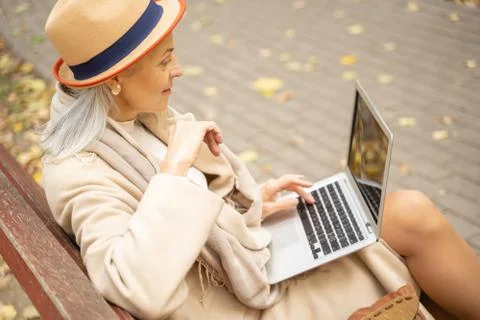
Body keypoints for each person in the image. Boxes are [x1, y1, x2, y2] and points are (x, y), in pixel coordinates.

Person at [40, 0, 480, 319]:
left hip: (246, 267)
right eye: (166, 61)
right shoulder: (80, 172)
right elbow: (134, 286)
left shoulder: (129, 120)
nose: (179, 70)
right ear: (116, 81)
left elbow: (196, 223)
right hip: (241, 303)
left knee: (406, 211)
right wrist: (174, 168)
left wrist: (254, 209)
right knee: (411, 229)